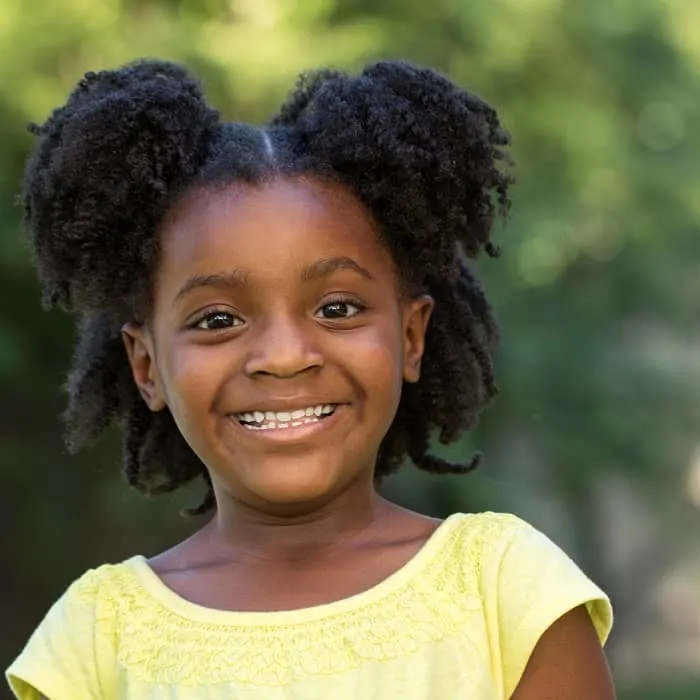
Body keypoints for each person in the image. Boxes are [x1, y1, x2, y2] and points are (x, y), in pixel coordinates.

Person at [6, 58, 615, 699]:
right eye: (217, 319)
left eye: (337, 308)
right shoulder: (95, 641)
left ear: (410, 338)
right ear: (147, 367)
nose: (285, 356)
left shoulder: (508, 593)